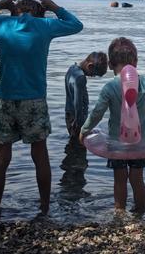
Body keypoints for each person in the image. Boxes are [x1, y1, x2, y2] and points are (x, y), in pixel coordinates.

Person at [0, 0, 83, 216]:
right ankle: (45, 208)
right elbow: (76, 25)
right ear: (40, 14)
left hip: (6, 100)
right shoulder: (45, 26)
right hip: (34, 101)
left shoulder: (2, 24)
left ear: (13, 12)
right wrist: (55, 7)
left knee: (1, 157)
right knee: (40, 156)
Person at [79, 37, 145, 214]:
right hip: (139, 142)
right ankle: (140, 211)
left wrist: (84, 131)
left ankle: (120, 212)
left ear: (110, 65)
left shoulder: (110, 87)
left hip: (116, 142)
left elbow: (97, 112)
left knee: (119, 179)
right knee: (137, 179)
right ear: (136, 62)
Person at [58, 51, 108, 204]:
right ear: (90, 65)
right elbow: (78, 104)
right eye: (94, 74)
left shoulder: (72, 69)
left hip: (69, 115)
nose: (91, 77)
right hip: (77, 119)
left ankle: (69, 183)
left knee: (73, 148)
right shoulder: (80, 78)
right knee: (80, 151)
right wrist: (82, 127)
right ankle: (76, 186)